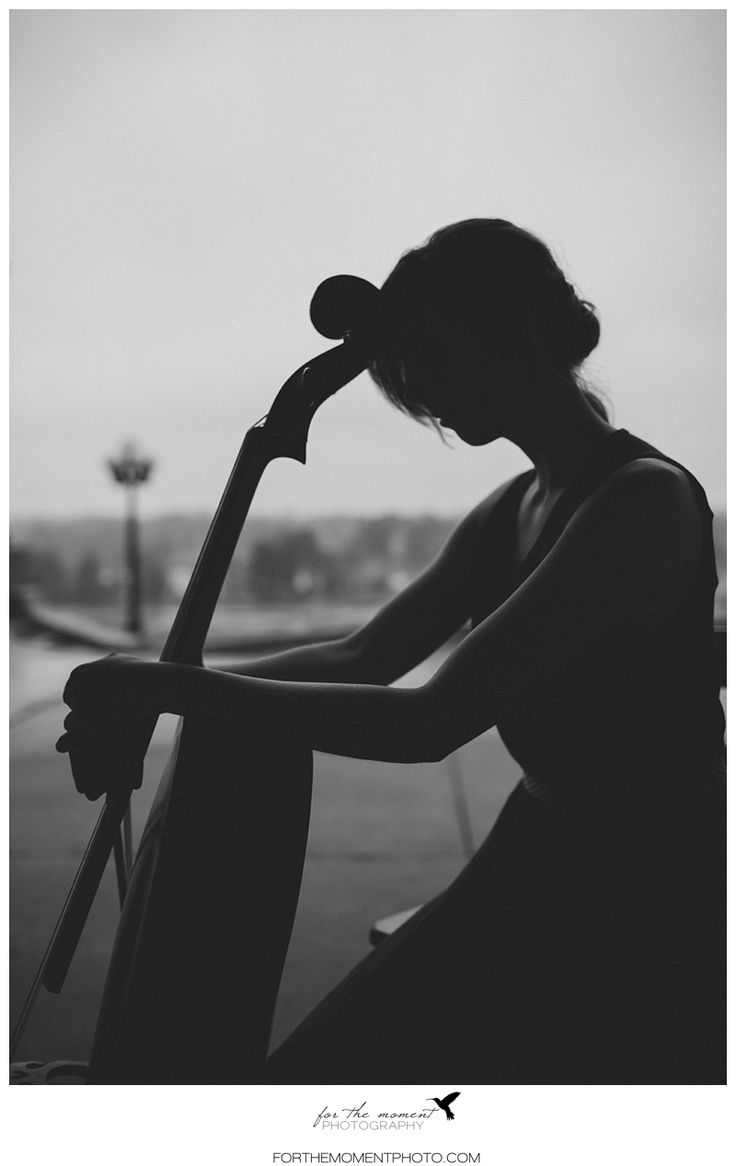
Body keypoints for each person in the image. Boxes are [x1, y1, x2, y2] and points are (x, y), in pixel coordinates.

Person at [57, 219, 725, 1084]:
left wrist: (166, 688)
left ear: (505, 331)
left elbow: (430, 720)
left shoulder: (640, 503)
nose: (421, 389)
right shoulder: (518, 503)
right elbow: (364, 654)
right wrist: (162, 692)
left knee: (340, 1083)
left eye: (432, 355)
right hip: (544, 849)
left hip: (642, 883)